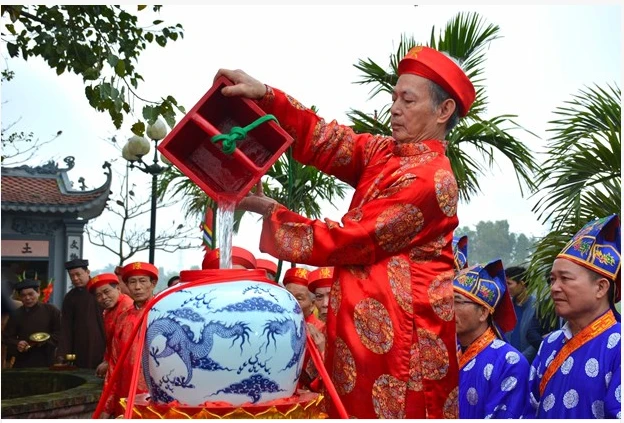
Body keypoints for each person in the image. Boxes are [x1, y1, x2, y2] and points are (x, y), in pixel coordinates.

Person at [220, 44, 476, 418]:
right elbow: (329, 141)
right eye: (394, 98)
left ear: (444, 110)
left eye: (407, 100)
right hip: (366, 336)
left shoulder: (431, 179)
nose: (395, 108)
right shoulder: (387, 153)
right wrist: (268, 98)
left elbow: (351, 239)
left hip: (403, 345)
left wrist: (272, 212)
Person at [527, 214, 621, 419]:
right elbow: (529, 407)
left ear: (601, 287)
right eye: (552, 279)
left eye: (565, 279)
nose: (554, 288)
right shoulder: (550, 343)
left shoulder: (619, 346)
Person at [454, 259, 529, 418]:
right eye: (447, 301)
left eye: (457, 302)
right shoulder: (448, 354)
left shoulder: (510, 362)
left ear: (483, 312)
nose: (449, 309)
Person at [107, 262, 159, 418]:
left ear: (153, 283)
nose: (137, 287)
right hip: (126, 389)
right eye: (132, 282)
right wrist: (107, 403)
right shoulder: (122, 318)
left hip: (155, 391)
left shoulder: (163, 313)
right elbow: (114, 363)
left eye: (143, 281)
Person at [88, 273, 134, 418]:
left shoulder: (127, 307)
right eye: (98, 295)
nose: (103, 298)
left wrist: (109, 361)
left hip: (128, 365)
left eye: (107, 292)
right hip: (116, 363)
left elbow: (126, 343)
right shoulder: (108, 311)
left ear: (118, 288)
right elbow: (110, 341)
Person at [57, 258, 106, 369]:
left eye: (78, 274)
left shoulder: (101, 291)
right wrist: (62, 353)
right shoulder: (70, 297)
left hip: (102, 343)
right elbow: (66, 327)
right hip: (79, 346)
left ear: (87, 272)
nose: (75, 278)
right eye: (71, 276)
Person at [1, 279, 61, 368]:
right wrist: (18, 343)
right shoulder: (16, 314)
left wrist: (45, 340)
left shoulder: (51, 310)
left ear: (38, 293)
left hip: (47, 359)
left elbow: (60, 332)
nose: (27, 298)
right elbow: (6, 337)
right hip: (23, 360)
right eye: (23, 295)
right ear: (19, 297)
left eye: (30, 294)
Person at [504, 266, 539, 362]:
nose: (506, 288)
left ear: (522, 284)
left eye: (509, 283)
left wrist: (521, 359)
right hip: (507, 362)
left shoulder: (537, 307)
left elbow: (537, 341)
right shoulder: (507, 308)